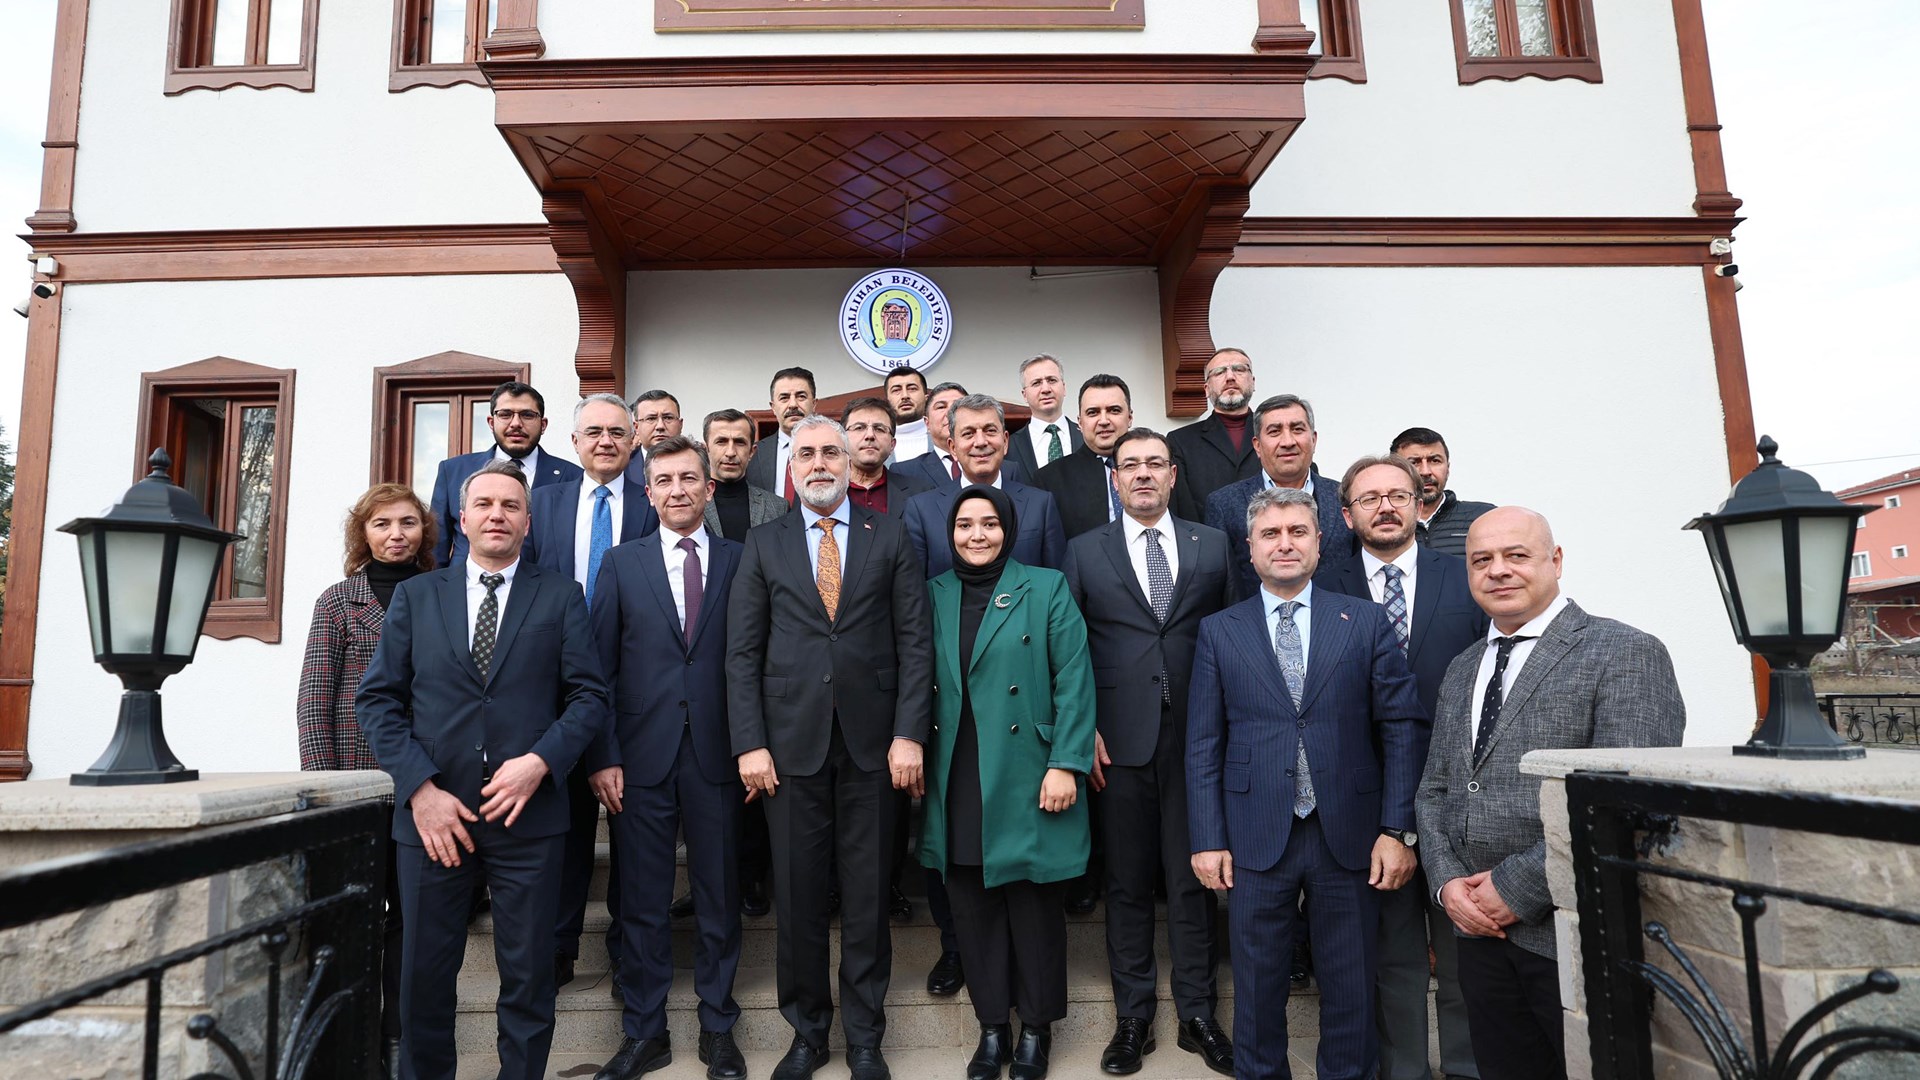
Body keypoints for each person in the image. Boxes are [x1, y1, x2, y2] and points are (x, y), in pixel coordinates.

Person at [356, 460, 611, 1080]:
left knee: (527, 977)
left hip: (529, 819)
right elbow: (379, 700)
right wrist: (419, 789)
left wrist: (540, 763)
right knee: (423, 977)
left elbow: (589, 697)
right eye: (486, 505)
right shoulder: (419, 597)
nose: (498, 515)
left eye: (511, 506)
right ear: (462, 519)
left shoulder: (559, 595)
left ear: (528, 523)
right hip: (435, 821)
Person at [1416, 507, 1685, 1080]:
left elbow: (1625, 799)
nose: (1498, 571)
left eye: (1517, 555)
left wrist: (1514, 887)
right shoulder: (1463, 668)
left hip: (1573, 930)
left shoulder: (1624, 652)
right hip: (1478, 935)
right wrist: (1446, 886)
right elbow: (1436, 788)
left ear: (1555, 561)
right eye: (1481, 560)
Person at [1188, 486, 1428, 1080]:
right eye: (1271, 534)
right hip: (1253, 832)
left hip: (1348, 831)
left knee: (1350, 982)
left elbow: (1401, 728)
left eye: (1298, 531)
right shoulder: (1220, 630)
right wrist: (1207, 836)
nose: (1285, 543)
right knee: (1257, 982)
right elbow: (1203, 743)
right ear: (1250, 549)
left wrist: (1398, 828)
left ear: (1321, 540)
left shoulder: (1365, 621)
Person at [726, 415, 934, 1080]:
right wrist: (750, 744)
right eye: (807, 452)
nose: (819, 462)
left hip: (876, 748)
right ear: (791, 465)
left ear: (851, 462)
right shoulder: (764, 543)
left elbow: (915, 642)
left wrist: (909, 733)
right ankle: (809, 1033)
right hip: (787, 752)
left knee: (870, 896)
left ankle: (866, 1036)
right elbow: (742, 654)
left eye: (831, 452)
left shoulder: (891, 533)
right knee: (799, 895)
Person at [1064, 428, 1235, 1077]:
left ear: (1171, 474)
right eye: (1129, 465)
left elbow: (1232, 637)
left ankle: (1198, 1014)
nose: (1141, 474)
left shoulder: (1212, 544)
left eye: (1153, 464)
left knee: (1195, 880)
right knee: (1128, 884)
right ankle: (1132, 1016)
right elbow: (1067, 649)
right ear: (1115, 478)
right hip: (1117, 741)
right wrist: (1082, 731)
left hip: (1199, 739)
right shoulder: (1084, 551)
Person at [1316, 455, 1487, 1080]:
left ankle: (1467, 1067)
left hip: (1457, 792)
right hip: (1361, 797)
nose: (1385, 506)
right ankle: (1404, 1070)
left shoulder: (1464, 576)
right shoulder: (1325, 585)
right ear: (1347, 514)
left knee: (1462, 949)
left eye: (1397, 495)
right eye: (1369, 498)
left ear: (1421, 504)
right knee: (1391, 955)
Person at [585, 437, 747, 1080]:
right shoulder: (621, 565)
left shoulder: (742, 559)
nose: (677, 490)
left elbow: (756, 659)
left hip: (721, 757)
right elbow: (596, 668)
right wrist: (601, 754)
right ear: (646, 492)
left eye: (689, 478)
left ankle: (718, 1028)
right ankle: (645, 1032)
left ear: (709, 488)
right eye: (663, 481)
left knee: (718, 895)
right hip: (639, 760)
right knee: (644, 904)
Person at [921, 485, 1096, 1080]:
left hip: (1030, 767)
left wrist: (1066, 763)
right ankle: (992, 1028)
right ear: (951, 534)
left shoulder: (1044, 586)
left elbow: (1074, 677)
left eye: (989, 524)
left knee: (1033, 908)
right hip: (958, 769)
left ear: (1008, 529)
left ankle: (1037, 1032)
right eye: (965, 525)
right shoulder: (933, 594)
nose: (977, 535)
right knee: (972, 907)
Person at [296, 482, 437, 1074]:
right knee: (355, 914)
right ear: (364, 533)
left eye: (407, 523)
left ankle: (399, 1036)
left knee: (410, 915)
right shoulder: (338, 601)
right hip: (355, 781)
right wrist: (327, 789)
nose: (396, 534)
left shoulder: (440, 593)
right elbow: (315, 700)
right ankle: (355, 1046)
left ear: (424, 532)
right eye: (382, 524)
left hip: (423, 783)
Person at [527, 393, 660, 996]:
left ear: (634, 439)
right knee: (566, 824)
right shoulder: (543, 503)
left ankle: (622, 950)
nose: (605, 441)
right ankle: (558, 947)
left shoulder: (654, 501)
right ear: (574, 442)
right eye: (593, 433)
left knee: (627, 822)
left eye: (616, 432)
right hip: (553, 685)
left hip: (632, 682)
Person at [1205, 393, 1355, 602]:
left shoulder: (1345, 497)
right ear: (1257, 445)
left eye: (1297, 429)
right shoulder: (1223, 504)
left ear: (1313, 439)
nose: (1287, 441)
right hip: (1256, 629)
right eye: (1275, 431)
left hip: (1339, 626)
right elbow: (1221, 585)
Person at [904, 394, 1067, 579]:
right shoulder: (922, 510)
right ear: (953, 448)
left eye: (990, 431)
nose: (981, 442)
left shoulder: (1041, 504)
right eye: (968, 433)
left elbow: (1056, 580)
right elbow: (915, 589)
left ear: (1005, 442)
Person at [429, 381, 583, 566]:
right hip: (464, 590)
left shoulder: (573, 477)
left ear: (543, 425)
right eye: (505, 414)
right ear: (491, 422)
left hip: (544, 590)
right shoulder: (453, 471)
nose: (516, 423)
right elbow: (435, 547)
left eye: (527, 415)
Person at [1035, 374, 1134, 540]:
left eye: (1114, 410)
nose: (1103, 421)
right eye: (1093, 412)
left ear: (1129, 418)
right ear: (1080, 423)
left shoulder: (1158, 470)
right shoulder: (1049, 479)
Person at [1168, 349, 1261, 522]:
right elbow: (1182, 507)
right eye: (1219, 372)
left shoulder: (1274, 434)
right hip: (1209, 542)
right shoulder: (1180, 441)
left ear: (1253, 382)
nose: (1230, 377)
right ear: (1206, 389)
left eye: (1239, 369)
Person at [1389, 428, 1496, 559]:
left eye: (1435, 461)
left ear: (1448, 468)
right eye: (1414, 462)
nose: (1425, 471)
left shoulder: (1484, 517)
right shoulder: (1381, 522)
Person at [702, 408, 789, 546]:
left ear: (752, 451)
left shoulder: (778, 507)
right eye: (721, 442)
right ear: (706, 448)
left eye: (739, 442)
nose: (730, 452)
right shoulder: (689, 503)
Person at [843, 396, 936, 520]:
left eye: (879, 429)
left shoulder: (922, 493)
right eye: (859, 428)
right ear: (842, 440)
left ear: (892, 445)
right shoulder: (827, 491)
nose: (870, 435)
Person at [746, 367, 818, 501]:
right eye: (784, 398)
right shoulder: (754, 453)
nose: (793, 405)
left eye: (801, 396)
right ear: (773, 407)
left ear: (814, 404)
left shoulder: (832, 451)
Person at [1008, 354, 1084, 477]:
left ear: (1064, 388)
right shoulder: (1009, 446)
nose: (1046, 389)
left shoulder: (1086, 436)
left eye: (1052, 380)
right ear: (1024, 395)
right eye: (1036, 383)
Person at [893, 382, 969, 488]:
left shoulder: (995, 463)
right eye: (941, 407)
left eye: (957, 406)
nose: (950, 412)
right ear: (927, 423)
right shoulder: (905, 472)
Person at [623, 389, 685, 484]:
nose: (660, 426)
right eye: (651, 419)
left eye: (668, 418)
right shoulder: (622, 468)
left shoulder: (699, 464)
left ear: (680, 425)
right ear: (636, 427)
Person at [885, 366, 932, 461]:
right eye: (896, 390)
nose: (905, 396)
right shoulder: (878, 443)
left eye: (912, 389)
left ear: (926, 398)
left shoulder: (943, 439)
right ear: (887, 401)